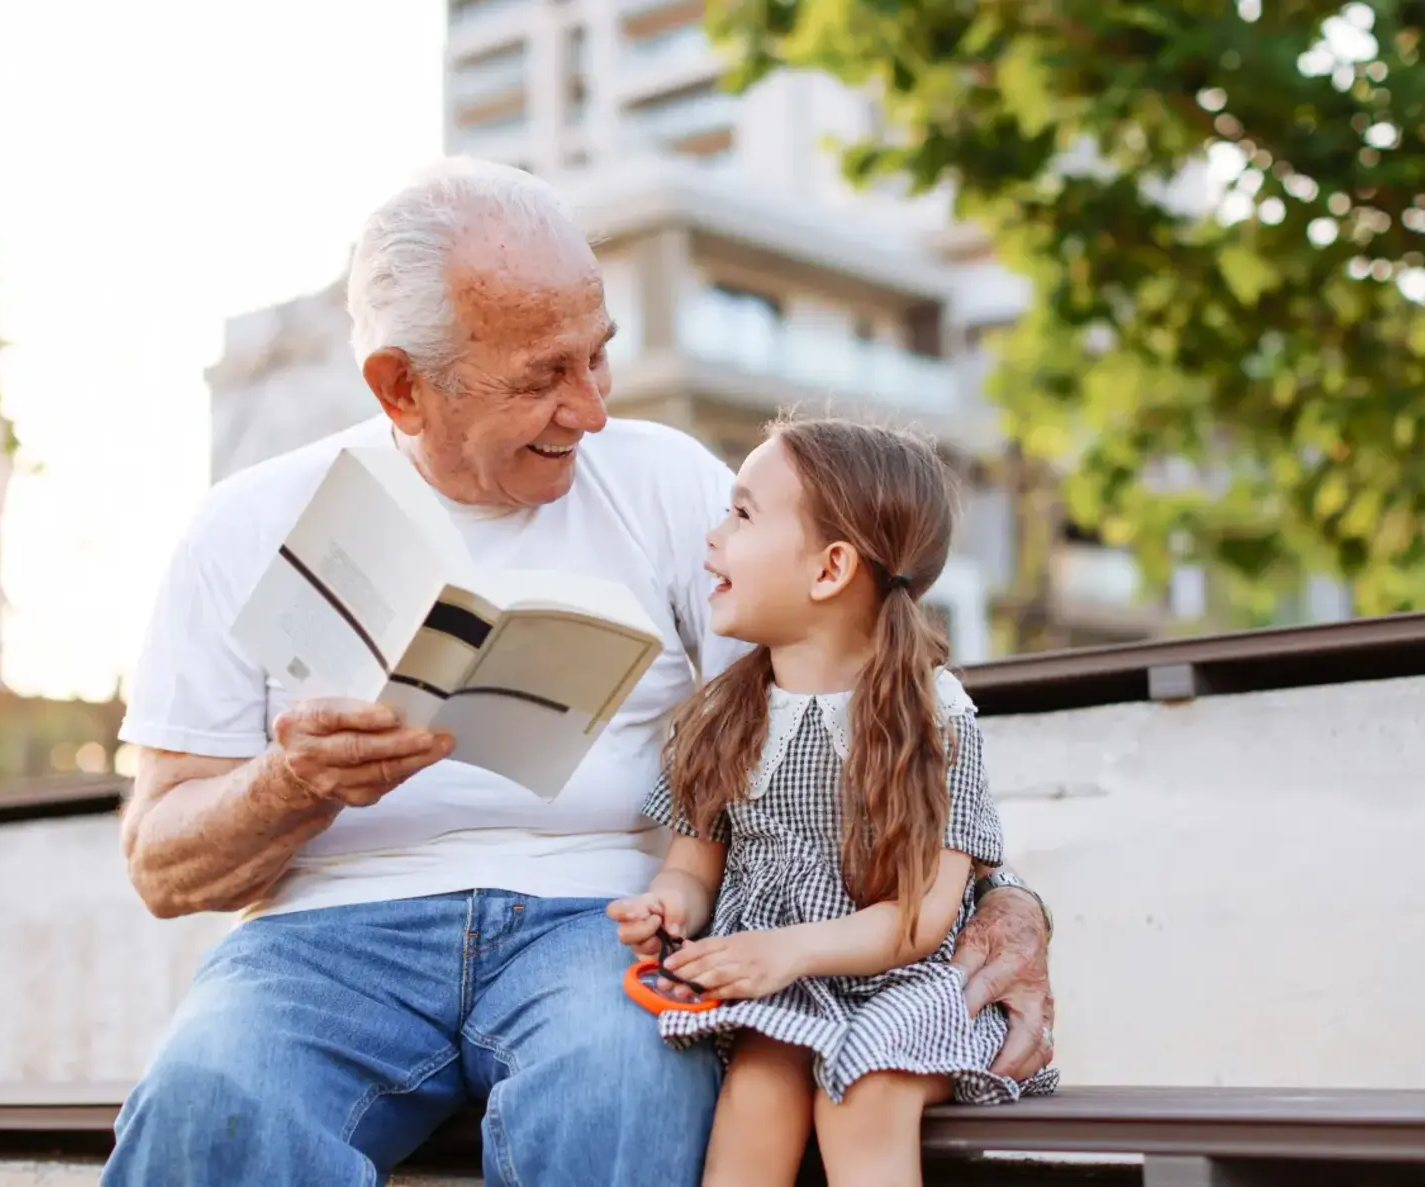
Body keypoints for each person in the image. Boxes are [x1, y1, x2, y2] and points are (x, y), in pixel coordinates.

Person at [103, 156, 1057, 1187]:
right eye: (539, 378)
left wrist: (999, 900)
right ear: (400, 385)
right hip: (321, 939)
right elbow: (162, 862)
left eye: (596, 358)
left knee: (621, 1089)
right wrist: (294, 785)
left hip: (599, 923)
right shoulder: (244, 525)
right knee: (207, 1103)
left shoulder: (665, 482)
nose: (590, 409)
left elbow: (860, 713)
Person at [607, 418, 1058, 1187]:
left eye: (742, 515)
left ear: (831, 568)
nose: (713, 537)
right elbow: (692, 865)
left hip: (905, 985)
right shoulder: (724, 715)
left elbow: (923, 916)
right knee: (757, 1089)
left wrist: (792, 947)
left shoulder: (933, 717)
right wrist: (668, 905)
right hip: (780, 986)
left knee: (863, 1091)